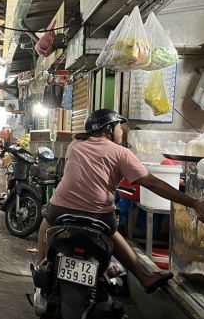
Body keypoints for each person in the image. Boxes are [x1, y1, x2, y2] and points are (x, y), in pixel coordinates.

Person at [37, 109, 204, 293]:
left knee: (47, 221)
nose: (122, 131)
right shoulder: (121, 153)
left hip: (61, 209)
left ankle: (41, 269)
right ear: (109, 129)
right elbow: (153, 184)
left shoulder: (74, 146)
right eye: (119, 127)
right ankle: (144, 277)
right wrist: (193, 203)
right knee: (112, 233)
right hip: (99, 216)